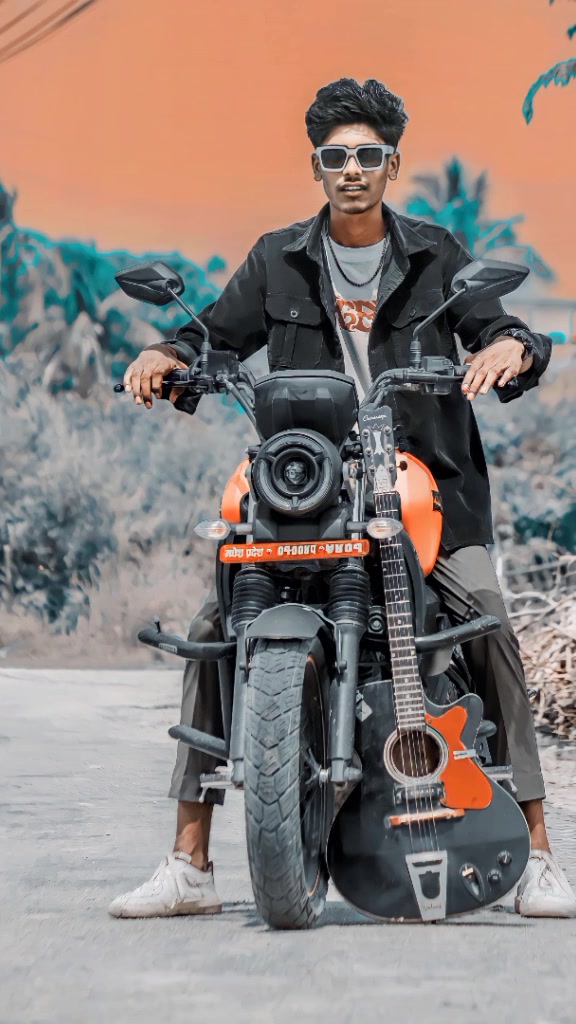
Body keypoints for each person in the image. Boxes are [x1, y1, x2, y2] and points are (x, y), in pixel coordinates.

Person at [109, 78, 576, 920]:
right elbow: (211, 334)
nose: (351, 169)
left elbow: (501, 327)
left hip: (426, 485)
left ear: (391, 164)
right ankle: (190, 862)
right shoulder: (278, 258)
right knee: (216, 623)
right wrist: (165, 356)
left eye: (366, 154)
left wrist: (511, 347)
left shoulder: (435, 254)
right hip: (309, 482)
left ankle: (538, 853)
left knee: (487, 618)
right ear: (317, 167)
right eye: (335, 156)